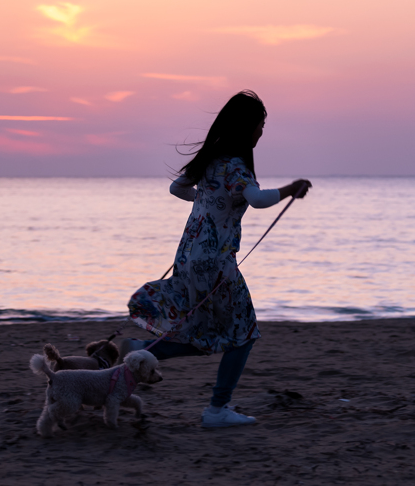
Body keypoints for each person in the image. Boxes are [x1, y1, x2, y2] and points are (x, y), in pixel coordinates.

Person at [122, 90, 311, 428]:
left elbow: (177, 189)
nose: (262, 133)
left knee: (206, 332)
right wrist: (290, 188)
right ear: (247, 127)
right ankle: (216, 409)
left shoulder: (210, 160)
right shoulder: (236, 166)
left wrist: (208, 203)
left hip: (189, 257)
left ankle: (142, 348)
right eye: (261, 125)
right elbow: (256, 199)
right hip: (216, 264)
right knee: (245, 333)